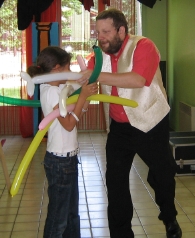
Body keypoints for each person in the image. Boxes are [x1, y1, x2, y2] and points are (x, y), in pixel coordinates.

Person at [78, 8, 182, 238]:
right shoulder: (100, 53)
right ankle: (121, 234)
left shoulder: (144, 46)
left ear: (121, 30)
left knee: (163, 174)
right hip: (119, 127)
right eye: (98, 32)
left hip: (150, 121)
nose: (100, 37)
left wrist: (95, 75)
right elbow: (85, 74)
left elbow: (138, 79)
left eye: (106, 32)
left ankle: (169, 216)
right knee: (115, 183)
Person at [27, 46, 98, 238]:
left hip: (68, 159)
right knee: (58, 219)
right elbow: (68, 124)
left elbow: (75, 115)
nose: (70, 73)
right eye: (68, 68)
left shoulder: (57, 87)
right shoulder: (50, 91)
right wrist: (83, 96)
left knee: (72, 215)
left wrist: (85, 98)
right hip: (60, 162)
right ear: (57, 68)